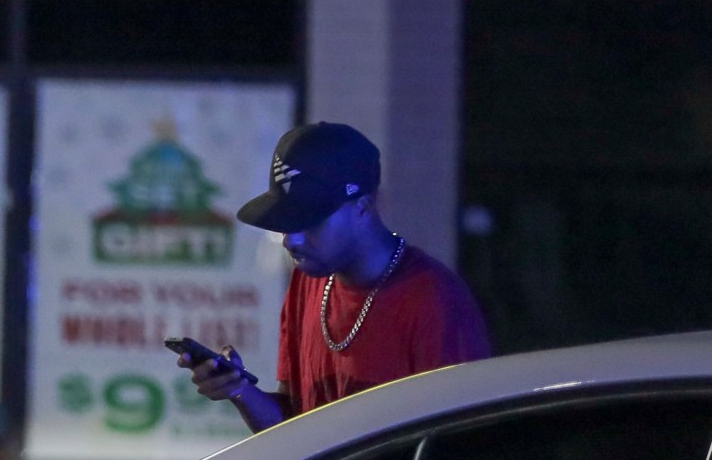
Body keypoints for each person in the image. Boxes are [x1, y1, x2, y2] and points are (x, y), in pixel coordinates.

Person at [187, 122, 490, 429]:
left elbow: (457, 443)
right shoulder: (309, 277)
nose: (293, 240)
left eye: (311, 221)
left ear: (362, 207)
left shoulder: (433, 301)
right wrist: (239, 390)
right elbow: (295, 428)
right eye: (287, 221)